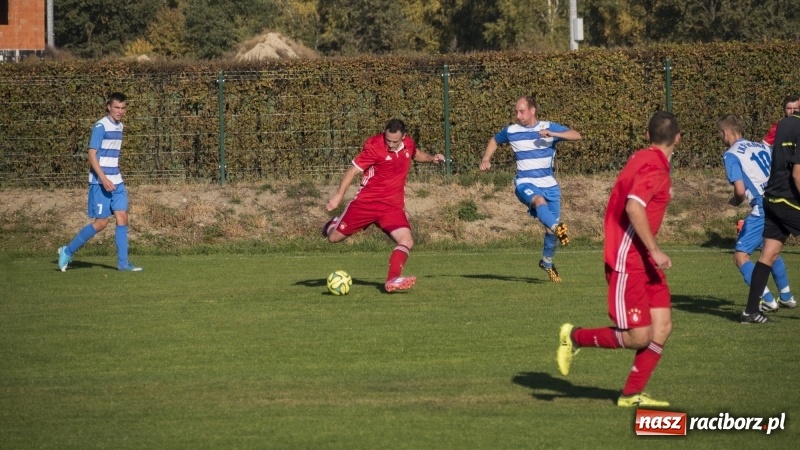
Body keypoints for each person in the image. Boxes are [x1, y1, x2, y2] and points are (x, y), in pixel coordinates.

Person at [557, 111, 679, 408]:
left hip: (643, 259)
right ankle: (575, 337)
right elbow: (634, 207)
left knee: (662, 327)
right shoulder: (655, 168)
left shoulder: (642, 157)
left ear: (648, 136)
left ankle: (630, 394)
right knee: (639, 336)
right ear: (678, 138)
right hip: (630, 259)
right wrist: (655, 249)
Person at [322, 119, 444, 293]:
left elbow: (415, 153)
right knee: (334, 238)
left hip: (392, 207)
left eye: (395, 141)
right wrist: (338, 196)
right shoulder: (374, 147)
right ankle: (332, 224)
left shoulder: (408, 144)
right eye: (388, 140)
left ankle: (392, 280)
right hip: (366, 204)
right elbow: (352, 171)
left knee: (407, 240)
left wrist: (432, 159)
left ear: (404, 137)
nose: (391, 145)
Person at [479, 95, 581, 282]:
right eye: (516, 112)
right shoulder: (511, 131)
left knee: (550, 232)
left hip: (550, 185)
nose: (518, 115)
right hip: (525, 182)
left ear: (532, 110)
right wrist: (486, 158)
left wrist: (554, 134)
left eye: (522, 111)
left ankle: (547, 262)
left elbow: (576, 135)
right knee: (538, 201)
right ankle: (558, 228)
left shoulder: (548, 127)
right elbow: (494, 140)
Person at [58, 92, 142, 272]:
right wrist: (103, 179)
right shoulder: (100, 126)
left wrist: (112, 177)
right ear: (109, 107)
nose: (120, 111)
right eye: (116, 107)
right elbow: (91, 155)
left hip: (117, 180)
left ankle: (123, 263)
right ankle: (67, 250)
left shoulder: (120, 126)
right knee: (101, 223)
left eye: (123, 108)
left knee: (122, 217)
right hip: (100, 182)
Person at [719, 114, 795, 313]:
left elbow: (740, 190)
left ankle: (767, 299)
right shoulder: (762, 147)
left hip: (761, 207)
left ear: (724, 133)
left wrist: (735, 202)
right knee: (770, 251)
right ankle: (786, 296)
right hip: (778, 201)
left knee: (741, 257)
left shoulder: (731, 155)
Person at [743, 106, 800, 323]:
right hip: (789, 200)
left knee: (769, 254)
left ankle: (750, 312)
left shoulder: (784, 123)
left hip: (772, 198)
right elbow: (797, 174)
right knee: (768, 254)